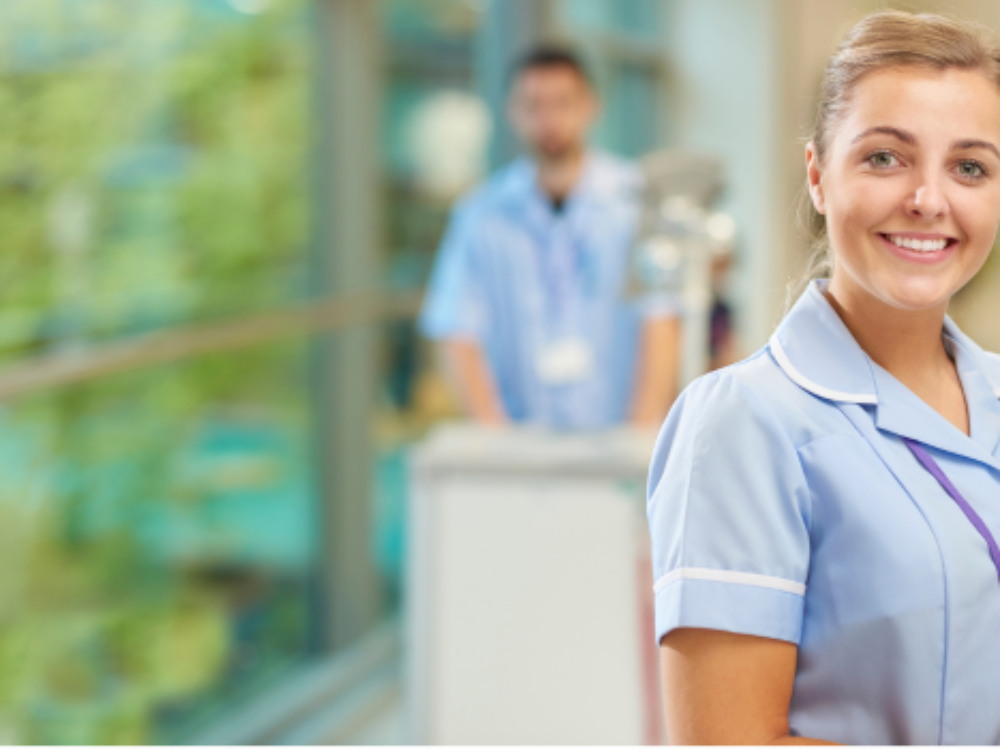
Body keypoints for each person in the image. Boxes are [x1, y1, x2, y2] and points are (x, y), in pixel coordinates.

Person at [647, 11, 1000, 745]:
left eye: (969, 167)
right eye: (885, 158)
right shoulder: (743, 424)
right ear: (817, 174)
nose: (929, 200)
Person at [419, 46, 680, 430]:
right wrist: (497, 441)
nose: (549, 120)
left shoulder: (638, 202)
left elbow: (661, 320)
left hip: (617, 442)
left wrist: (639, 440)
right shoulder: (481, 214)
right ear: (512, 112)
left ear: (591, 106)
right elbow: (456, 329)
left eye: (563, 103)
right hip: (521, 445)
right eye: (533, 105)